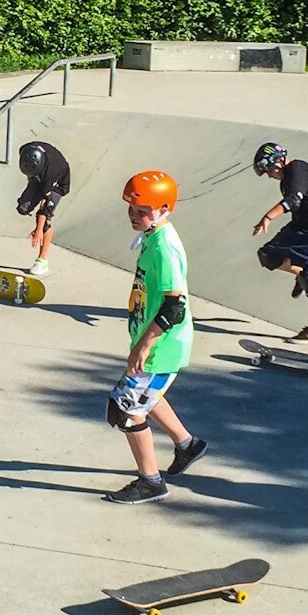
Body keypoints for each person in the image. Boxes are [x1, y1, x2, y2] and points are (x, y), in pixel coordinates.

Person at [107, 170, 206, 504]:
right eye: (132, 210)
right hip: (157, 345)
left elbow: (174, 306)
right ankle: (187, 445)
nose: (135, 217)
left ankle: (150, 482)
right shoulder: (153, 235)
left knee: (127, 410)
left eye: (143, 211)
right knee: (148, 397)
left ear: (164, 209)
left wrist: (144, 344)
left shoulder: (164, 248)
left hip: (162, 346)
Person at [250, 143, 308, 341]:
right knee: (267, 255)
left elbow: (293, 201)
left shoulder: (298, 169)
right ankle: (301, 275)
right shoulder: (285, 181)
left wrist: (268, 217)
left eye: (269, 170)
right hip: (300, 226)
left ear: (280, 161)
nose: (269, 175)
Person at [15, 141, 71, 276]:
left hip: (58, 184)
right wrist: (32, 185)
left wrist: (38, 230)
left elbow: (44, 206)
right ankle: (35, 193)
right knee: (23, 208)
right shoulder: (25, 149)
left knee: (44, 221)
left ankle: (42, 261)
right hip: (39, 176)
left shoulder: (52, 172)